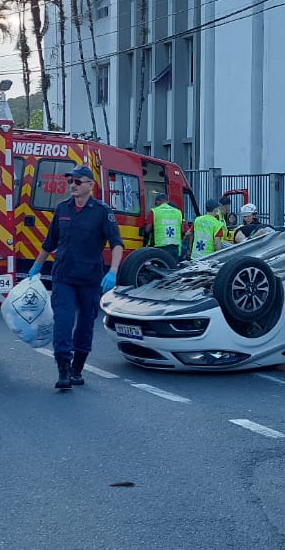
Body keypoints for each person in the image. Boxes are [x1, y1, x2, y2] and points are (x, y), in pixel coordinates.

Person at [27, 165, 123, 390]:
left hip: (90, 279)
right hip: (64, 277)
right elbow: (50, 243)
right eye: (71, 181)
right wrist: (36, 266)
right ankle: (63, 371)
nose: (73, 185)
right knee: (63, 321)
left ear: (90, 185)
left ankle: (77, 369)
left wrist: (113, 272)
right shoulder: (62, 209)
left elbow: (116, 244)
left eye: (78, 182)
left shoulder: (101, 211)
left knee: (85, 325)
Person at [146, 192, 184, 258]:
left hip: (160, 246)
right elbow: (183, 230)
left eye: (156, 203)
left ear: (158, 201)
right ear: (167, 201)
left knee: (161, 266)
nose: (156, 205)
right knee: (173, 267)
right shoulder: (178, 212)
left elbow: (147, 229)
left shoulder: (154, 211)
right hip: (175, 246)